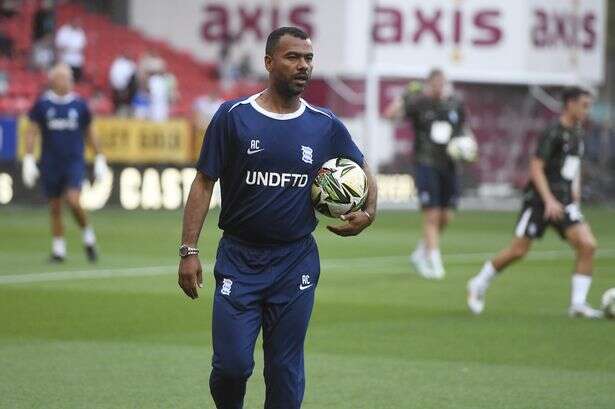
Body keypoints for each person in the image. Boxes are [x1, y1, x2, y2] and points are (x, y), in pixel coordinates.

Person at [177, 27, 378, 409]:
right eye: (293, 58)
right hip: (240, 259)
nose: (303, 66)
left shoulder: (325, 123)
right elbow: (204, 182)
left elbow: (364, 169)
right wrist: (189, 249)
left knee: (285, 371)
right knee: (231, 367)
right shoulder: (233, 116)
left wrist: (369, 212)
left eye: (308, 59)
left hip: (295, 261)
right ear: (269, 62)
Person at [467, 87, 603, 319]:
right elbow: (536, 167)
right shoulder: (553, 132)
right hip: (540, 201)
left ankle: (578, 305)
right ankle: (478, 283)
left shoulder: (578, 131)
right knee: (518, 251)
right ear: (569, 103)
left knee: (587, 245)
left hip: (566, 201)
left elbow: (574, 164)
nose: (586, 110)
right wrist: (549, 200)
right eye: (583, 104)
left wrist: (575, 190)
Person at [384, 69, 468, 279]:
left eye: (443, 83)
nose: (440, 87)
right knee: (431, 214)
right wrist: (404, 95)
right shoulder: (418, 103)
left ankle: (421, 252)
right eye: (436, 84)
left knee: (446, 216)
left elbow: (464, 130)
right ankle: (434, 261)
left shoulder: (455, 104)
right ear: (429, 84)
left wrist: (469, 146)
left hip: (450, 165)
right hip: (426, 163)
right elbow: (390, 115)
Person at [22, 63, 108, 262]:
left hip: (73, 162)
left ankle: (88, 236)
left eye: (70, 78)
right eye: (65, 78)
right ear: (54, 80)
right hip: (50, 162)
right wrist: (28, 157)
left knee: (73, 200)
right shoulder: (42, 105)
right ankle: (58, 249)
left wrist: (100, 157)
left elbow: (90, 132)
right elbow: (32, 130)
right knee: (54, 206)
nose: (69, 81)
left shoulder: (79, 105)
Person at [55, 17, 86, 82]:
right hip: (64, 61)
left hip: (76, 62)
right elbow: (59, 46)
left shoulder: (81, 32)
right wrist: (70, 48)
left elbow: (81, 47)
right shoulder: (63, 30)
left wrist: (69, 48)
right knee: (63, 81)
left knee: (75, 81)